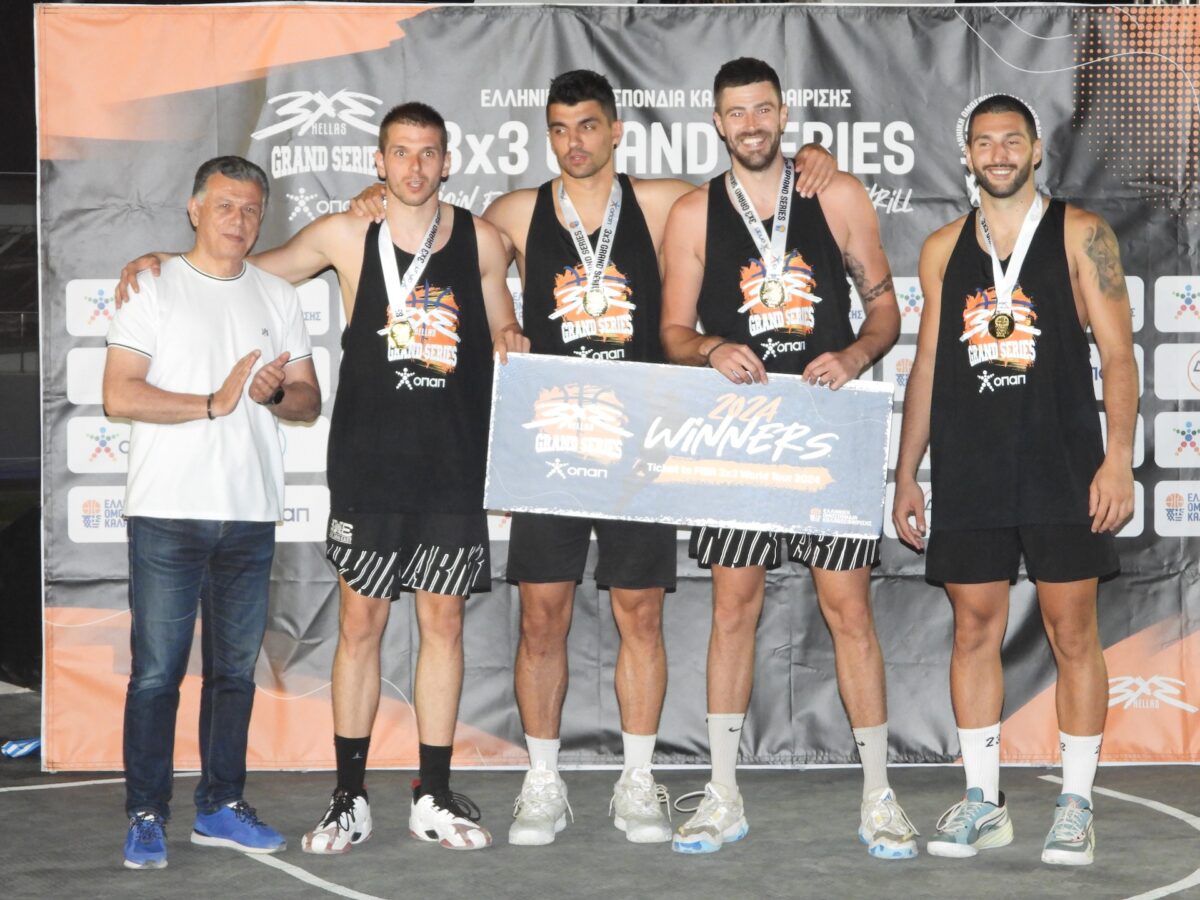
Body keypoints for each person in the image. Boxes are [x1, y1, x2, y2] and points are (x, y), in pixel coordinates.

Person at [353, 69, 836, 847]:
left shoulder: (661, 203)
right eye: (559, 129)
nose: (573, 143)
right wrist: (373, 200)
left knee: (639, 614)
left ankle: (637, 781)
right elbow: (433, 228)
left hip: (639, 445)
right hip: (553, 444)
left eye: (587, 126)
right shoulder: (516, 213)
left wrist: (812, 158)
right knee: (542, 617)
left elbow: (748, 189)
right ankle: (542, 783)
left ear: (615, 131)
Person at [116, 103, 529, 853]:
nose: (413, 167)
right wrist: (158, 262)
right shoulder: (345, 233)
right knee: (360, 628)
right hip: (369, 467)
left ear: (447, 162)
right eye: (400, 152)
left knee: (443, 625)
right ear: (379, 160)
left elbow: (504, 324)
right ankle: (349, 796)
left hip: (453, 466)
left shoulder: (484, 240)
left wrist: (509, 335)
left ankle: (433, 793)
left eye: (427, 153)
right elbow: (237, 270)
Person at [659, 58, 914, 858]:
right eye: (736, 112)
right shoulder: (694, 213)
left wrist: (857, 356)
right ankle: (723, 793)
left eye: (763, 108)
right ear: (718, 122)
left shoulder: (836, 195)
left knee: (850, 611)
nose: (752, 124)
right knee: (733, 609)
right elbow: (670, 331)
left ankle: (879, 796)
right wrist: (709, 347)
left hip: (825, 432)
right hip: (738, 436)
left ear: (783, 112)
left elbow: (885, 312)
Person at [892, 94, 1135, 866]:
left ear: (1035, 150)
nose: (997, 153)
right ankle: (981, 801)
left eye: (1011, 140)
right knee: (972, 631)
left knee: (1073, 633)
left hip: (1063, 464)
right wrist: (907, 473)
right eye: (984, 142)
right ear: (966, 155)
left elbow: (1119, 354)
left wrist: (1118, 457)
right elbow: (928, 364)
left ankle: (1076, 805)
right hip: (972, 468)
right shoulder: (941, 249)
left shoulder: (1083, 233)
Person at [105, 156, 321, 869]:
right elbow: (119, 394)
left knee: (234, 674)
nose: (240, 219)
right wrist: (210, 403)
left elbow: (308, 400)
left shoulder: (276, 294)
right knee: (156, 675)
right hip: (167, 512)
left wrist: (272, 394)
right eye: (225, 205)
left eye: (252, 208)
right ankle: (145, 814)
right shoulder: (152, 285)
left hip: (249, 515)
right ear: (194, 209)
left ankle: (220, 806)